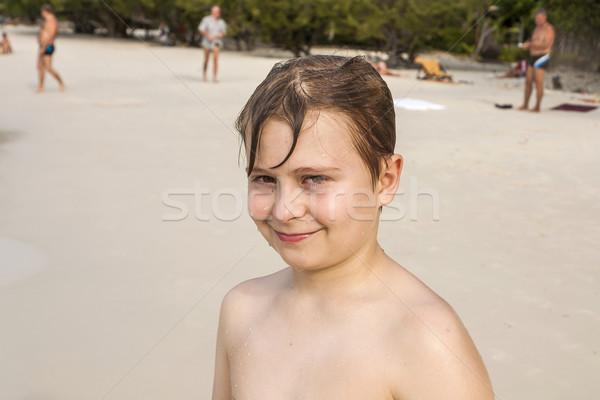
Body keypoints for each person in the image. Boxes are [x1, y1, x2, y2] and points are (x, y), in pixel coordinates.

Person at [211, 55, 494, 400]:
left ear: (385, 180)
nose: (285, 210)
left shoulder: (425, 340)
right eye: (265, 179)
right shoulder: (241, 309)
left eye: (314, 178)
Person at [518, 8, 555, 112]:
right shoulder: (536, 29)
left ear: (545, 17)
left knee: (538, 82)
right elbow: (535, 42)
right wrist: (527, 45)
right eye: (536, 18)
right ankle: (525, 105)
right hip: (533, 57)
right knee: (528, 81)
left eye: (539, 18)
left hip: (542, 56)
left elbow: (546, 44)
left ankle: (537, 107)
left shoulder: (549, 29)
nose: (537, 20)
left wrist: (530, 44)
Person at [36, 4, 65, 92]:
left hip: (48, 46)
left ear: (45, 12)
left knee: (48, 67)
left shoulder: (52, 21)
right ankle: (41, 87)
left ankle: (61, 83)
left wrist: (44, 47)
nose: (42, 14)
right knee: (40, 66)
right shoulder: (47, 21)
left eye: (42, 12)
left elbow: (51, 35)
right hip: (43, 46)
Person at [198, 5, 227, 82]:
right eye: (216, 11)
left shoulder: (221, 22)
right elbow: (201, 29)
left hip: (216, 41)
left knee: (215, 59)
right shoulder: (206, 19)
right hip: (207, 41)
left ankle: (215, 77)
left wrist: (221, 34)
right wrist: (208, 35)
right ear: (212, 12)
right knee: (206, 59)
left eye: (218, 11)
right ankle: (204, 75)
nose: (218, 12)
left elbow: (224, 32)